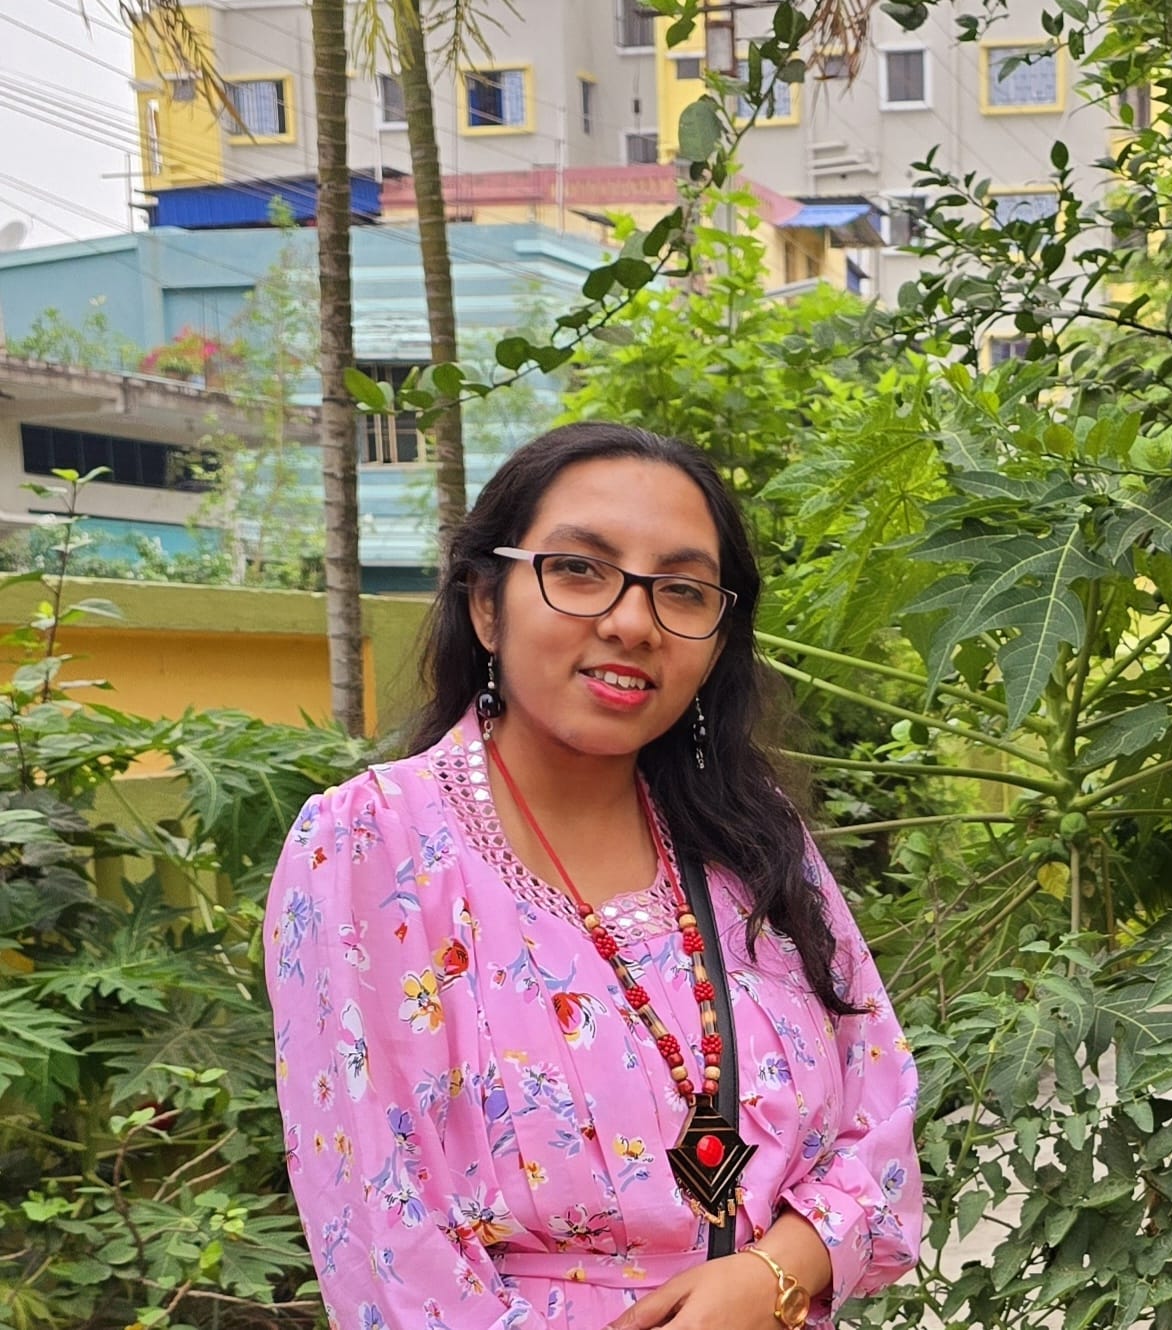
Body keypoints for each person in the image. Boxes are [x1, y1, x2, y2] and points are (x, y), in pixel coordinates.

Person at [265, 423, 921, 1330]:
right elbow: (381, 1236)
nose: (632, 623)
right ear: (486, 605)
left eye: (682, 590)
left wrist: (772, 1272)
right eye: (579, 570)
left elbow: (881, 1121)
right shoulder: (371, 846)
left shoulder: (751, 837)